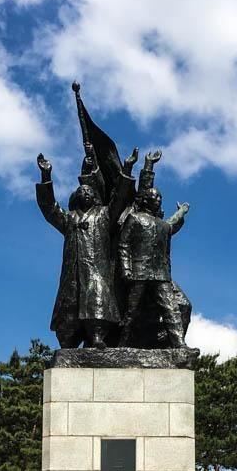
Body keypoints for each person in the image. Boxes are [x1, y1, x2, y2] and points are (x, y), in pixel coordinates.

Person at [35, 144, 136, 349]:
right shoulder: (69, 218)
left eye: (89, 190)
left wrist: (127, 169)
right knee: (68, 307)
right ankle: (67, 341)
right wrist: (46, 176)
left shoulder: (104, 215)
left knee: (97, 304)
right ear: (76, 197)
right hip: (72, 273)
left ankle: (98, 337)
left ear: (95, 197)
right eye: (82, 191)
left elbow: (119, 199)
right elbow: (49, 208)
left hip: (95, 271)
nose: (86, 192)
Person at [117, 151, 192, 349]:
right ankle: (122, 345)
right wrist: (148, 166)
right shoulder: (134, 217)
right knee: (132, 312)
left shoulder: (162, 225)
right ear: (145, 200)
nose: (158, 199)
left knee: (176, 307)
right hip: (139, 273)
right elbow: (123, 245)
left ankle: (178, 345)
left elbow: (171, 225)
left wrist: (181, 212)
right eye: (154, 196)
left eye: (159, 197)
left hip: (161, 275)